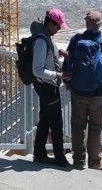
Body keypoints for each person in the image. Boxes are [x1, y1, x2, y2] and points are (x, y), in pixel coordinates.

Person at [61, 16, 102, 170]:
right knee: (96, 127)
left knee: (77, 126)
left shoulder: (77, 40)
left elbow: (67, 61)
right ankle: (95, 162)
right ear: (99, 25)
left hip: (78, 92)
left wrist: (68, 82)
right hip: (98, 93)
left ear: (86, 23)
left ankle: (78, 160)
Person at [16, 13, 70, 166]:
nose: (59, 29)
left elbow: (45, 58)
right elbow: (38, 70)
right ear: (50, 24)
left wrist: (59, 53)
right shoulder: (41, 41)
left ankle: (39, 154)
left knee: (45, 120)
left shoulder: (43, 37)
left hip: (46, 85)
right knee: (56, 124)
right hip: (47, 86)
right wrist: (59, 75)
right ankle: (60, 159)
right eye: (58, 26)